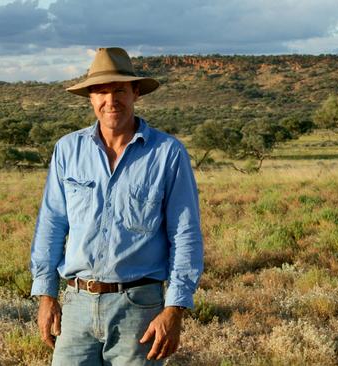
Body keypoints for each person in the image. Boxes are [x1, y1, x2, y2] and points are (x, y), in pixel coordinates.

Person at [29, 47, 204, 365]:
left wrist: (174, 309)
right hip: (77, 303)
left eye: (119, 90)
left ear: (135, 92)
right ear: (90, 98)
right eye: (100, 91)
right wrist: (46, 296)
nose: (111, 101)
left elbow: (185, 234)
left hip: (139, 307)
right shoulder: (68, 150)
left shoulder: (167, 153)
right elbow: (52, 224)